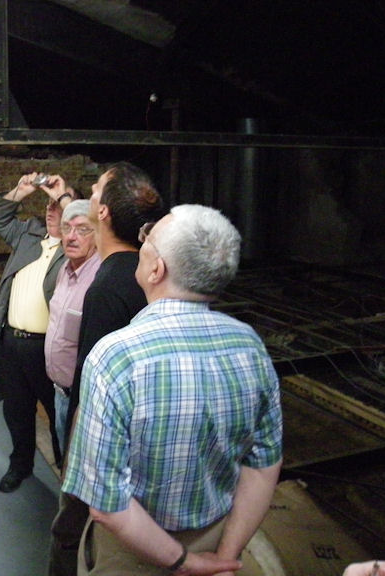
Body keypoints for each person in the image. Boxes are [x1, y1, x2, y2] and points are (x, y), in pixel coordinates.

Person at [62, 204, 283, 576]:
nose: (141, 241)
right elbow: (263, 467)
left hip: (132, 550)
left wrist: (184, 562)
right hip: (215, 537)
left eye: (148, 238)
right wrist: (224, 557)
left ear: (156, 269)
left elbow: (107, 504)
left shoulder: (117, 357)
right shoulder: (250, 346)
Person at [49, 162, 164, 576]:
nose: (90, 193)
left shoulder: (108, 288)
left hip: (102, 437)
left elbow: (93, 389)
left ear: (103, 213)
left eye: (96, 189)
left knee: (73, 534)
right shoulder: (139, 273)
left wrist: (76, 467)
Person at [0, 173, 80, 493]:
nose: (52, 210)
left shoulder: (76, 249)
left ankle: (66, 470)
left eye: (59, 205)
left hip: (48, 348)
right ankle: (21, 463)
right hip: (13, 341)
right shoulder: (28, 234)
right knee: (16, 409)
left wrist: (66, 202)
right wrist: (20, 190)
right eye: (49, 205)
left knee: (57, 414)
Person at [44, 199, 101, 459]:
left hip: (84, 403)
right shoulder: (64, 271)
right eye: (67, 228)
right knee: (66, 461)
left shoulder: (99, 279)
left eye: (82, 229)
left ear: (98, 234)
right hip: (60, 393)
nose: (71, 236)